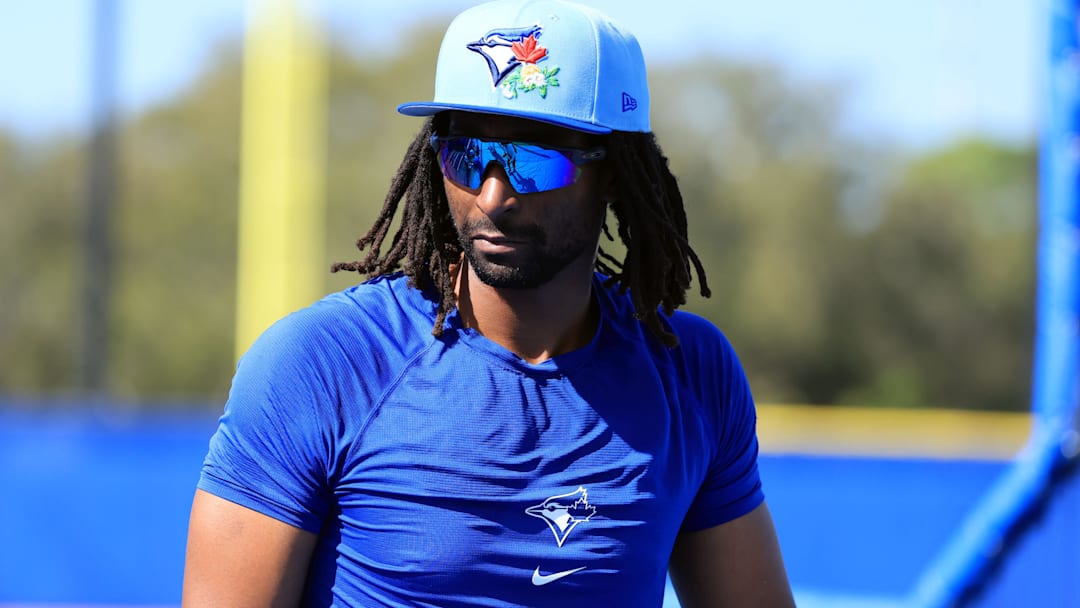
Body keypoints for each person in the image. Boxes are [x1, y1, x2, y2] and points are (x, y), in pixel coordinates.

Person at [183, 1, 794, 606]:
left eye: (535, 158)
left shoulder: (689, 372)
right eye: (467, 155)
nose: (493, 196)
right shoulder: (322, 365)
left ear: (614, 172)